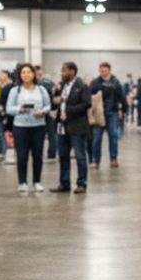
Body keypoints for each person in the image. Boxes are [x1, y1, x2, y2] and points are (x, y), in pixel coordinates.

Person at [5, 63, 50, 193]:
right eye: (23, 72)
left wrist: (42, 111)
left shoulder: (41, 90)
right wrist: (20, 109)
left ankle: (37, 182)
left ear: (33, 74)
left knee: (37, 156)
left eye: (29, 72)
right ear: (20, 75)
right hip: (20, 127)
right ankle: (22, 182)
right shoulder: (15, 91)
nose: (26, 75)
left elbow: (48, 106)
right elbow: (9, 109)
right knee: (22, 156)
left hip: (38, 126)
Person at [52, 62, 91, 194]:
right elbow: (57, 101)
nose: (61, 73)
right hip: (62, 126)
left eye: (64, 71)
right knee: (63, 155)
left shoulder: (82, 86)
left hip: (77, 126)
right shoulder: (62, 86)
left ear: (72, 71)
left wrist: (68, 110)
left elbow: (86, 104)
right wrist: (56, 99)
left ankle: (81, 183)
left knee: (80, 156)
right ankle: (64, 183)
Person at [89, 62, 128, 169]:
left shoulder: (116, 82)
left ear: (109, 70)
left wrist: (123, 110)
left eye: (105, 71)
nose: (103, 73)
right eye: (101, 71)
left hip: (112, 113)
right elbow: (89, 96)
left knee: (113, 136)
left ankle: (113, 159)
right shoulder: (95, 82)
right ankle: (95, 161)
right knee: (96, 138)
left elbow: (122, 97)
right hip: (99, 114)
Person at [35, 65, 59, 160]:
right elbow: (57, 95)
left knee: (39, 134)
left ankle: (38, 153)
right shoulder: (50, 82)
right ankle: (52, 154)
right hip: (51, 111)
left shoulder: (36, 84)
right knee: (52, 134)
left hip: (40, 112)